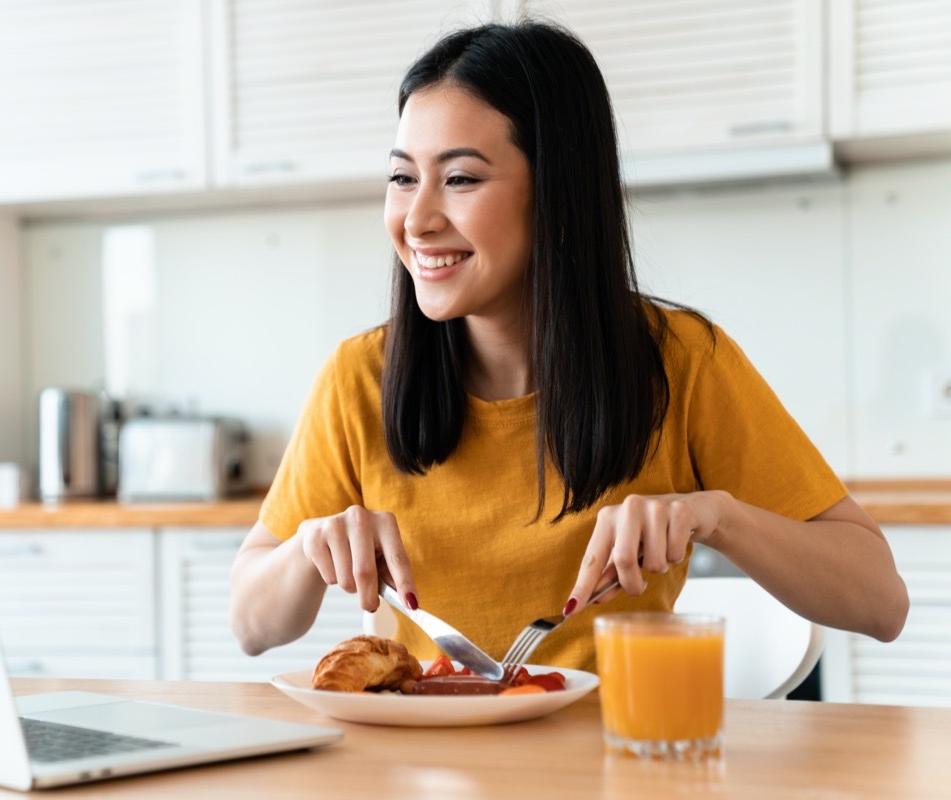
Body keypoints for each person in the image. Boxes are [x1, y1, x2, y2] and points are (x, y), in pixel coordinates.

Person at [229, 20, 908, 672]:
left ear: (557, 196)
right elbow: (252, 625)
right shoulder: (360, 378)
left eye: (460, 178)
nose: (417, 218)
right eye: (403, 177)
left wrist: (717, 517)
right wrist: (305, 553)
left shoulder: (681, 363)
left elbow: (881, 602)